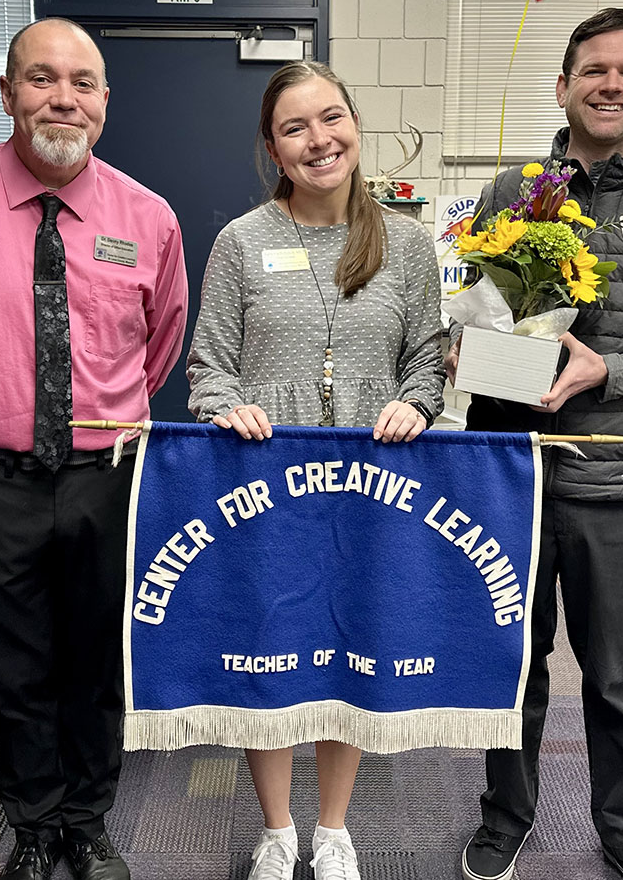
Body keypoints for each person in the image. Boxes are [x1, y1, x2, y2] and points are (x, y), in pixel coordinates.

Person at [0, 17, 188, 880]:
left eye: (84, 82)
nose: (65, 98)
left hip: (106, 475)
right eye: (44, 78)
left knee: (98, 661)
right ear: (9, 93)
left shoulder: (148, 217)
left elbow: (158, 346)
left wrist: (101, 416)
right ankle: (33, 823)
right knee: (12, 665)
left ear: (104, 100)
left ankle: (87, 822)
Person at [451, 9, 623, 880]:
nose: (611, 84)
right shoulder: (510, 191)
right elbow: (469, 313)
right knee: (513, 666)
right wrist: (468, 346)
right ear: (563, 85)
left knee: (614, 679)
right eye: (593, 70)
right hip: (515, 477)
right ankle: (507, 813)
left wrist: (603, 372)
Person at [186, 61, 445, 880]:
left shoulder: (405, 243)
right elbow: (208, 365)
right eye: (294, 128)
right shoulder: (241, 242)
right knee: (273, 648)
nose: (318, 140)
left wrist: (417, 404)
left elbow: (427, 364)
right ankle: (277, 827)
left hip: (372, 483)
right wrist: (226, 404)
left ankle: (333, 828)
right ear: (273, 147)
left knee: (348, 645)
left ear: (356, 126)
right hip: (267, 483)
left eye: (330, 119)